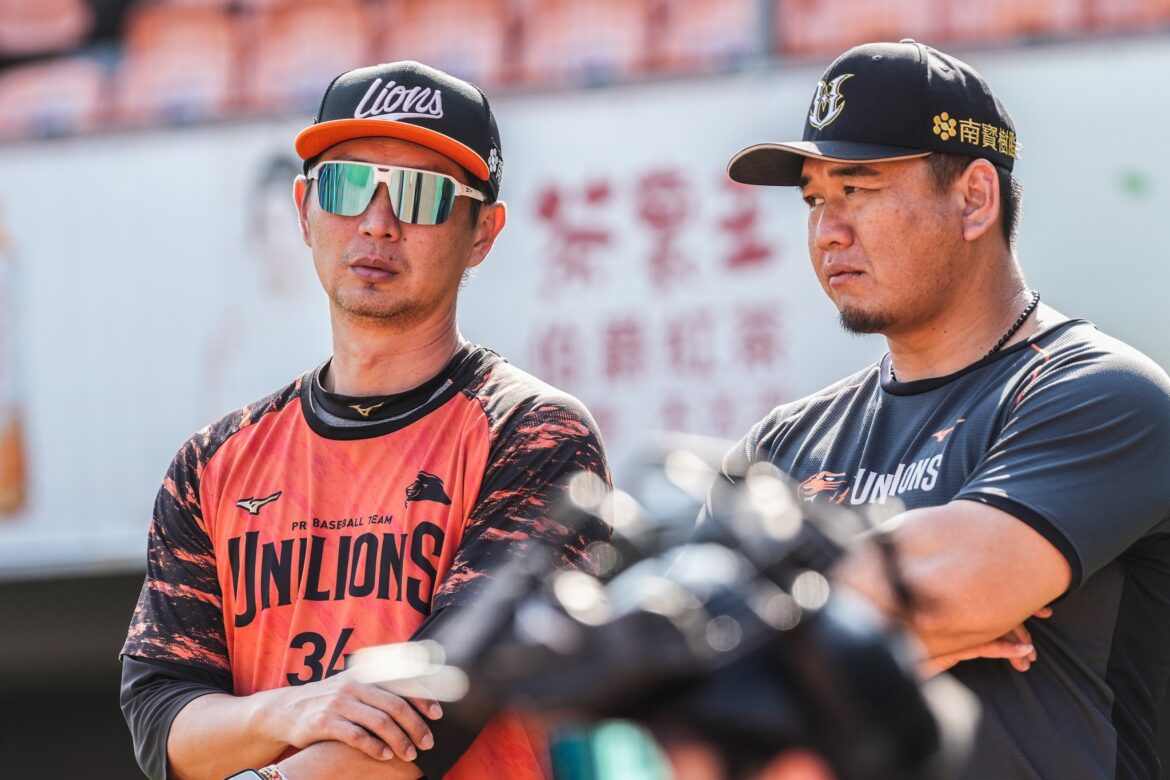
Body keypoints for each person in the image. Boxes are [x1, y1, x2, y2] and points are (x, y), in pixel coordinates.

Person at [120, 60, 610, 780]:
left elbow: (445, 699)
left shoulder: (535, 432)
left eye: (420, 194)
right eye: (347, 186)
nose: (378, 222)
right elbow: (162, 721)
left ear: (483, 231)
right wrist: (292, 710)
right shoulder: (212, 463)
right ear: (304, 209)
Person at [720, 40, 1170, 779]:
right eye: (814, 200)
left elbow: (941, 594)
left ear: (974, 199)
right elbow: (679, 676)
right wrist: (862, 627)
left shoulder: (1101, 392)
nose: (828, 230)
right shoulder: (783, 441)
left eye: (857, 188)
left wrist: (767, 623)